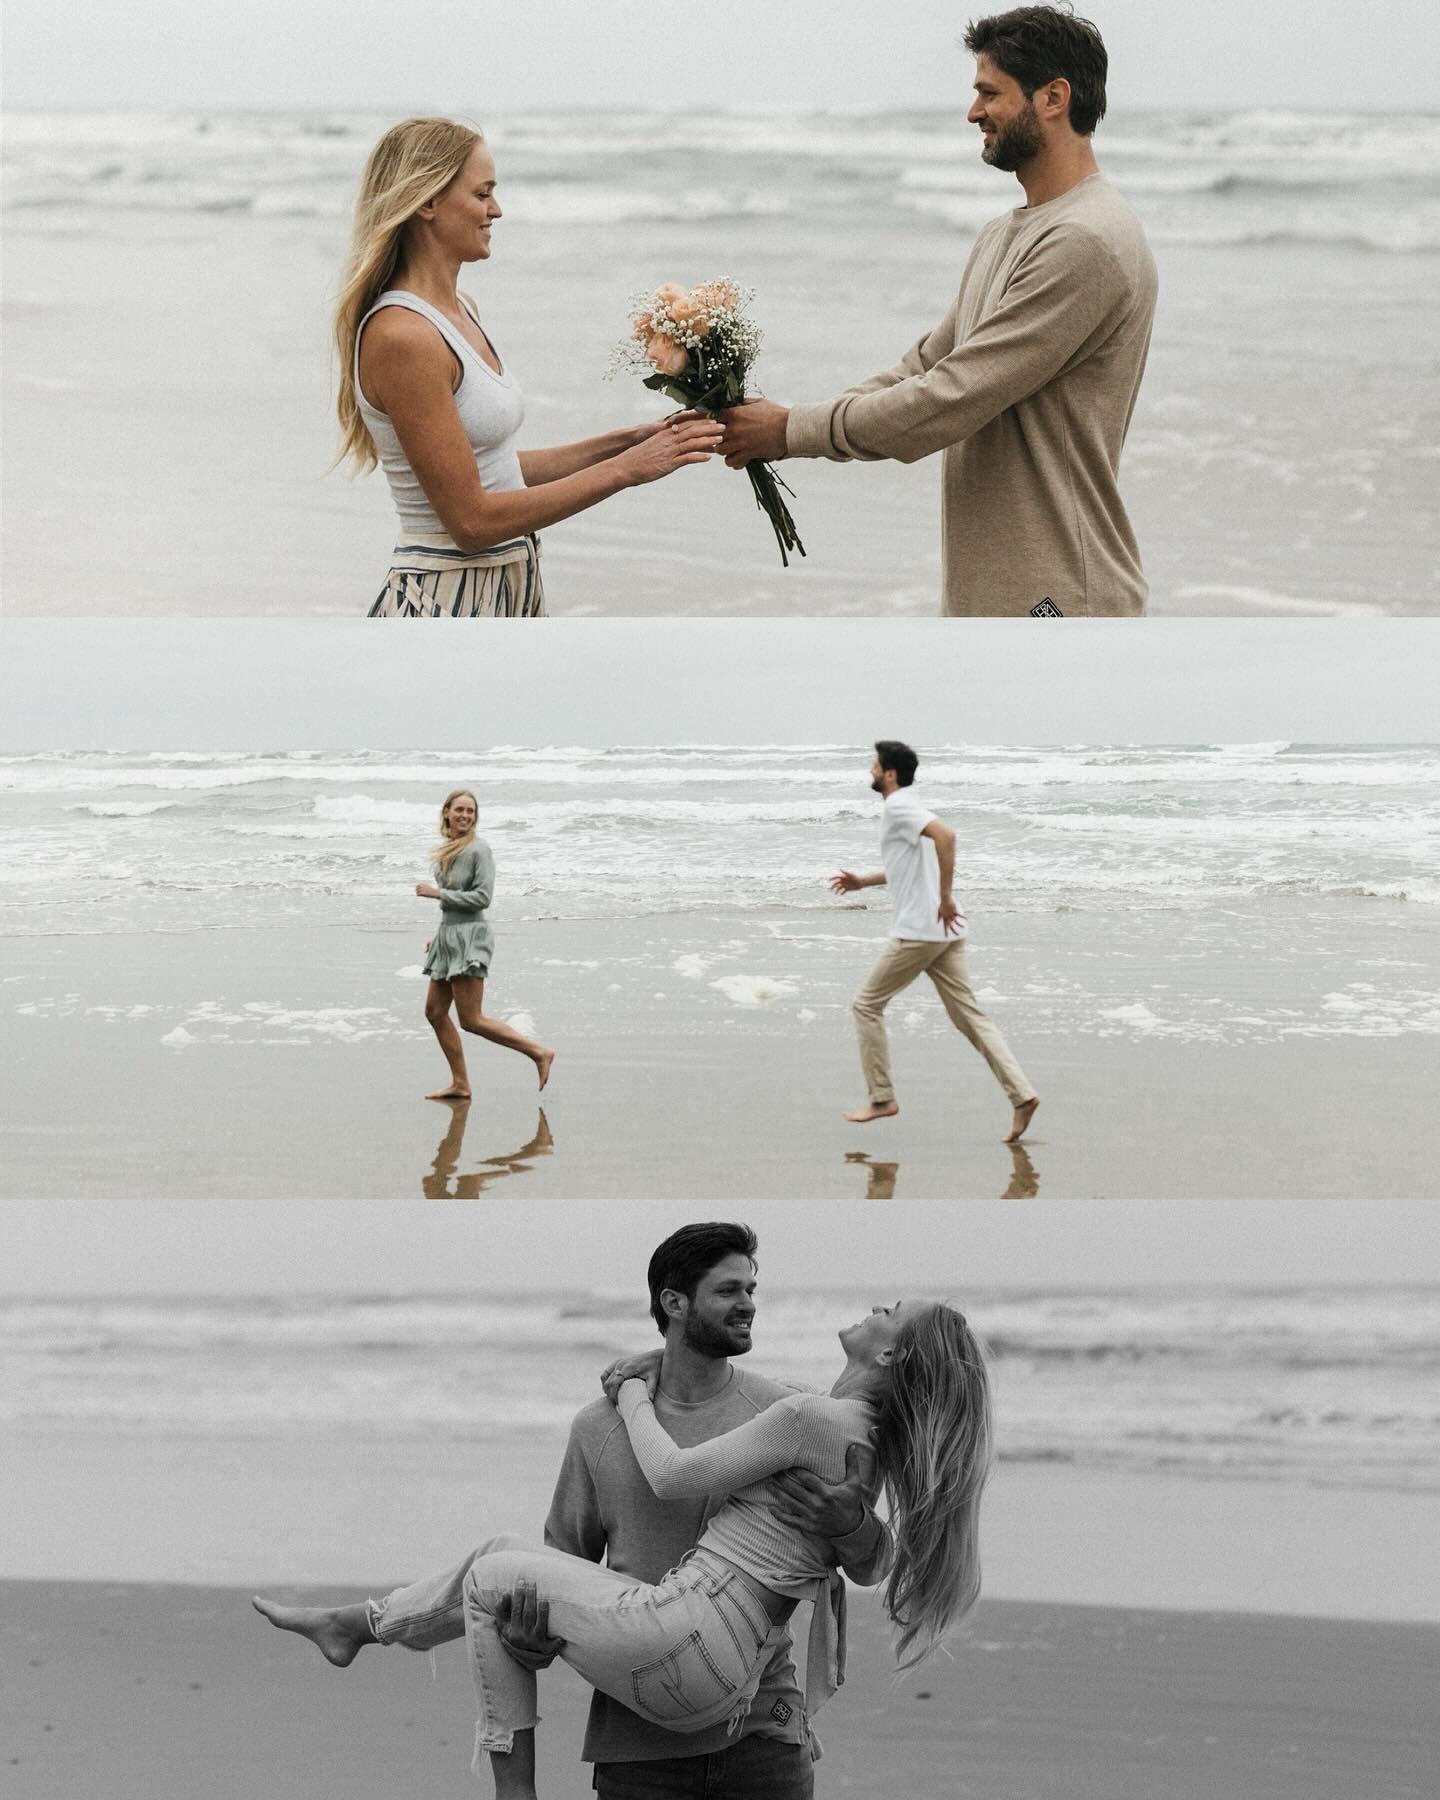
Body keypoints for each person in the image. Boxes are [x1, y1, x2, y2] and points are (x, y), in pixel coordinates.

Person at [253, 1225, 991, 1800]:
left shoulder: (790, 1408)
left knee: (488, 1570)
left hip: (758, 1725)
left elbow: (864, 1558)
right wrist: (528, 1641)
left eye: (751, 1289)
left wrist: (850, 1526)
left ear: (895, 1357)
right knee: (498, 1559)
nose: (750, 1305)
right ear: (675, 1302)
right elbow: (558, 1574)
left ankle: (482, 1757)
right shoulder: (599, 1431)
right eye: (730, 1290)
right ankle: (364, 1624)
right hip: (643, 1732)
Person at [719, 6, 1158, 618]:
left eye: (989, 92)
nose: (973, 112)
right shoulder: (1005, 233)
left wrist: (792, 430)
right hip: (1000, 585)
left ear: (1053, 97)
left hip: (1058, 593)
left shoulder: (1085, 241)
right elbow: (923, 367)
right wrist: (771, 422)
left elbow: (947, 400)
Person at [337, 117, 724, 616]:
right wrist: (627, 470)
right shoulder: (403, 335)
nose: (496, 210)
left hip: (509, 583)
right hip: (447, 597)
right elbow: (471, 522)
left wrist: (627, 441)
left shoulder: (462, 309)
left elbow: (494, 474)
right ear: (428, 202)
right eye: (482, 194)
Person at [832, 742, 1039, 1140]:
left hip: (920, 931)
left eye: (874, 766)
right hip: (944, 932)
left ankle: (881, 1098)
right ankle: (1022, 1095)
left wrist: (944, 898)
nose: (869, 772)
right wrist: (863, 882)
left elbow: (947, 837)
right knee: (969, 1017)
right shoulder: (908, 807)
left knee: (865, 1005)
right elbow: (907, 867)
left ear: (889, 774)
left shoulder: (898, 807)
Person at [417, 787, 554, 1099]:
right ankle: (460, 1083)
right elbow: (454, 906)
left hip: (471, 938)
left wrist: (437, 893)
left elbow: (483, 898)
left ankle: (538, 1052)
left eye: (471, 811)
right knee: (435, 1012)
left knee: (472, 1019)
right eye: (460, 810)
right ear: (446, 813)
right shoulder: (448, 849)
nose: (465, 815)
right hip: (449, 936)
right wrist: (440, 936)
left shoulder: (479, 850)